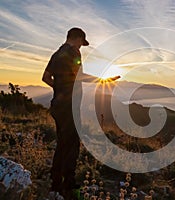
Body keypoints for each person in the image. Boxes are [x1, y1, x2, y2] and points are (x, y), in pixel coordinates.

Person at [42, 27, 120, 199]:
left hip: (58, 106)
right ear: (77, 39)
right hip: (70, 106)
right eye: (81, 44)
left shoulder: (56, 54)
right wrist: (103, 80)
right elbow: (80, 77)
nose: (81, 47)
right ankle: (68, 187)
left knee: (63, 144)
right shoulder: (73, 53)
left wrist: (60, 89)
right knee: (72, 146)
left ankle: (55, 185)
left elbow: (45, 78)